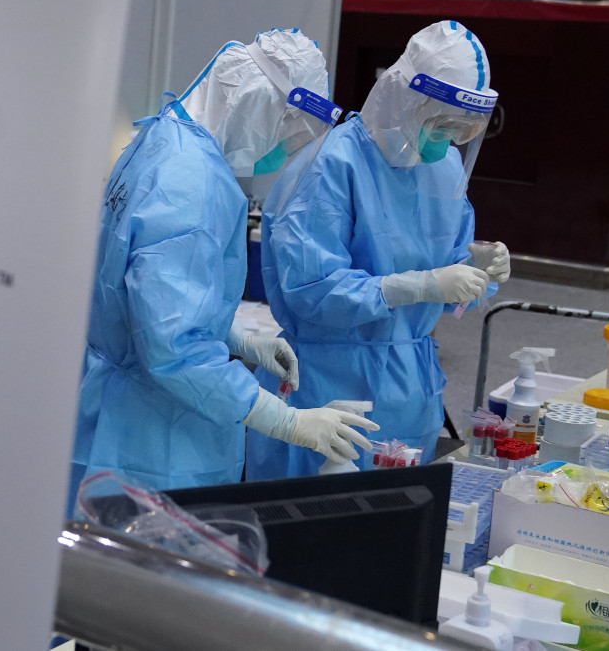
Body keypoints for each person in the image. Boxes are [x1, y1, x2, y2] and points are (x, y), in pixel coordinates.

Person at [70, 29, 379, 513]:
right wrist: (288, 421)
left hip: (110, 408)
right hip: (153, 435)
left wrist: (234, 338)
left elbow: (145, 295)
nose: (285, 145)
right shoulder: (193, 184)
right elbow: (174, 350)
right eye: (288, 126)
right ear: (255, 102)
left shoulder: (162, 137)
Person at [246, 21, 510, 481]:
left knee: (399, 518)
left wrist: (476, 271)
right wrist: (420, 284)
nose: (450, 138)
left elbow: (447, 279)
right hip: (330, 385)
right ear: (406, 100)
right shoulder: (331, 165)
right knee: (313, 524)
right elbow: (312, 292)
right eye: (442, 123)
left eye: (462, 129)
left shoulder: (445, 167)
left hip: (411, 385)